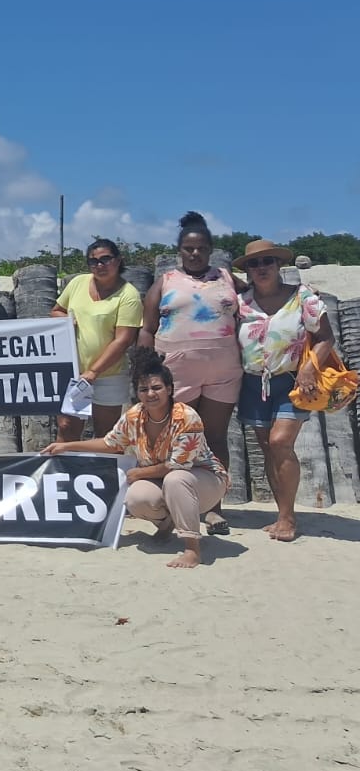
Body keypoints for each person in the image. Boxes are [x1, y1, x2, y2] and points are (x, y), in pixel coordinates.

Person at [43, 348, 229, 569]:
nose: (150, 393)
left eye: (157, 388)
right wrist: (67, 446)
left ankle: (192, 548)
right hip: (165, 480)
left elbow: (177, 465)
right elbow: (110, 443)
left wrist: (140, 473)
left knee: (176, 479)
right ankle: (167, 523)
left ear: (169, 389)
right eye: (144, 389)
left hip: (205, 481)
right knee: (136, 498)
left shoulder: (186, 417)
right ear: (138, 393)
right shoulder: (133, 415)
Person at [140, 211, 241, 535]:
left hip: (223, 370)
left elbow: (256, 304)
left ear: (210, 249)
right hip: (176, 372)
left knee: (214, 438)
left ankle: (213, 509)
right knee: (175, 438)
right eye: (188, 248)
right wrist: (145, 371)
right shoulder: (165, 281)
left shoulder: (227, 278)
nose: (194, 253)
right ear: (179, 250)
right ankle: (167, 509)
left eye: (200, 248)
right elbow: (147, 327)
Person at [233, 238, 336, 542]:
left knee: (280, 442)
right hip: (253, 384)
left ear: (279, 264)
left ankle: (288, 518)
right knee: (268, 448)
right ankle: (282, 513)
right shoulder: (242, 303)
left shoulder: (303, 297)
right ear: (247, 270)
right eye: (254, 263)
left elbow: (326, 337)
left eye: (267, 261)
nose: (261, 267)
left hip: (293, 381)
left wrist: (309, 366)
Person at [53, 239, 142, 442]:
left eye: (105, 259)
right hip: (74, 372)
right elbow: (57, 310)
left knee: (106, 435)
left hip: (109, 375)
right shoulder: (77, 283)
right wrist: (66, 320)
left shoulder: (129, 295)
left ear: (118, 260)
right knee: (66, 428)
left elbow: (123, 340)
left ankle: (100, 473)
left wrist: (93, 372)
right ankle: (65, 473)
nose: (99, 265)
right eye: (93, 261)